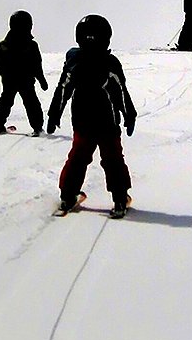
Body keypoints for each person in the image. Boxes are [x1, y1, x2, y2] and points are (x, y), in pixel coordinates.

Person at [47, 15, 138, 218]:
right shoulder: (109, 63)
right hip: (107, 123)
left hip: (82, 121)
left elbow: (63, 89)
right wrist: (129, 114)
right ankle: (119, 198)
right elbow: (120, 92)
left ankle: (68, 195)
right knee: (113, 158)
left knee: (78, 157)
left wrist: (54, 113)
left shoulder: (74, 61)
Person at [0, 11, 49, 136]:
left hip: (13, 80)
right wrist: (41, 79)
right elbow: (36, 64)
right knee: (29, 102)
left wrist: (6, 74)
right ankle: (38, 128)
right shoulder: (30, 45)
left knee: (8, 101)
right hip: (23, 80)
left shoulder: (3, 45)